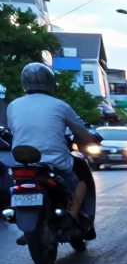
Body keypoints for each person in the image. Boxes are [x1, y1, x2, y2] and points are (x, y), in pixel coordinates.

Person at [5, 63, 99, 243]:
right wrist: (90, 138)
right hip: (56, 162)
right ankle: (72, 214)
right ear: (51, 82)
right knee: (81, 182)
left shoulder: (13, 106)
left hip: (22, 163)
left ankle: (28, 223)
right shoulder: (60, 106)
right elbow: (81, 132)